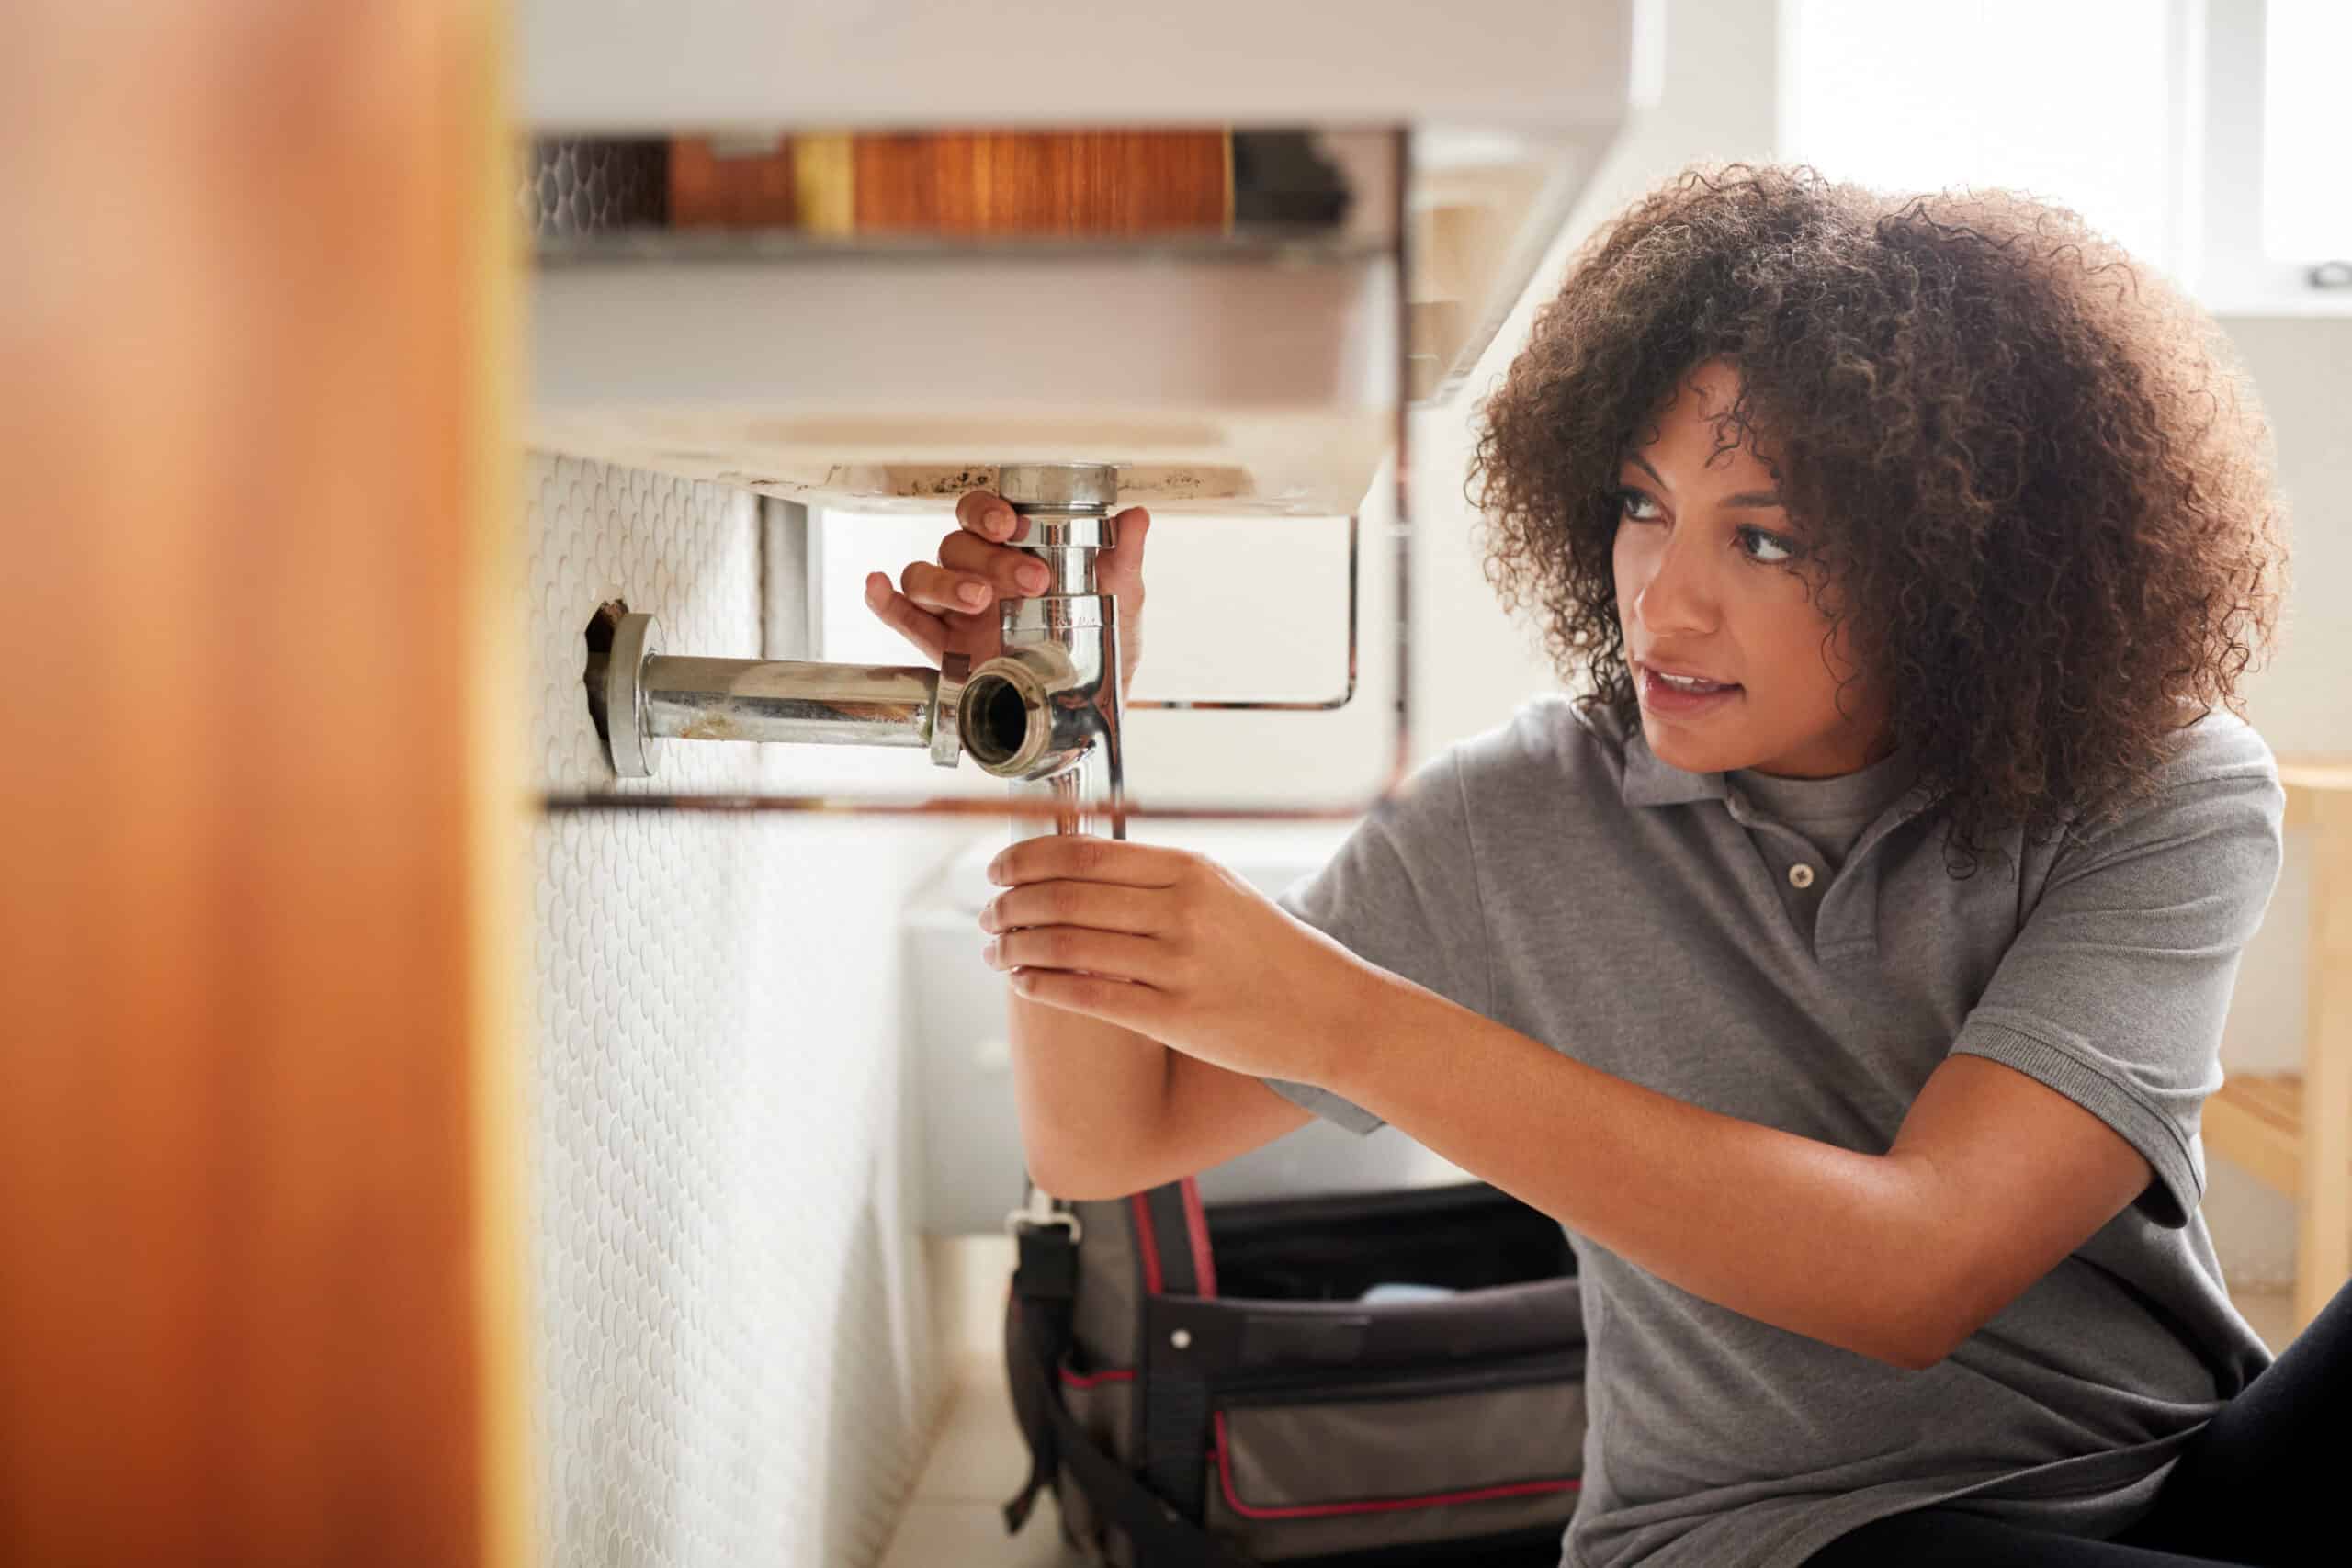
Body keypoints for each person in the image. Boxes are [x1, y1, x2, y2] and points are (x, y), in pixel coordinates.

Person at [865, 162, 2341, 1568]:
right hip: (1798, 1539)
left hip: (2176, 1473)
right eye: (1643, 506)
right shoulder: (1519, 817)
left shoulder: (2156, 788)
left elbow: (1913, 1272)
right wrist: (1053, 727)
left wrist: (1346, 1021)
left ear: (1962, 564)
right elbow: (1109, 1141)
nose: (1667, 602)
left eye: (1764, 541)